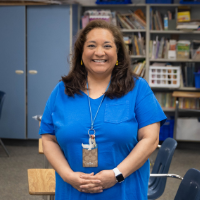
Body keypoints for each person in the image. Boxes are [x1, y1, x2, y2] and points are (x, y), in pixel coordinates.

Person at [39, 20, 167, 200]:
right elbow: (48, 139)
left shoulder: (138, 89)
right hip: (73, 191)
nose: (99, 52)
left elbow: (151, 139)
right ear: (81, 53)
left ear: (118, 54)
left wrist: (116, 174)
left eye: (107, 46)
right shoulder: (61, 91)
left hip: (124, 191)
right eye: (91, 45)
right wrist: (68, 175)